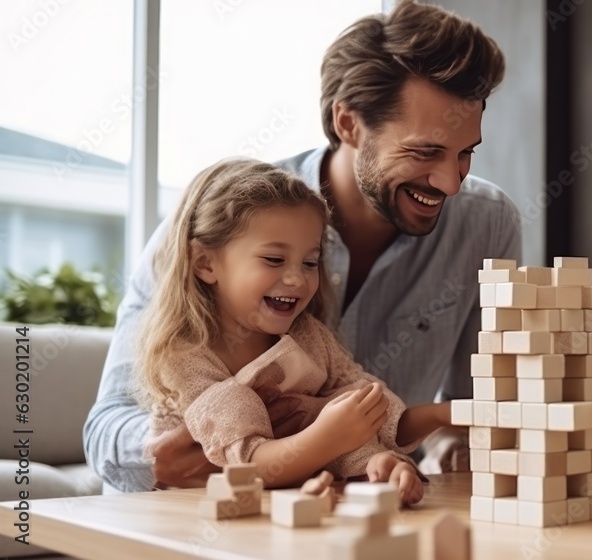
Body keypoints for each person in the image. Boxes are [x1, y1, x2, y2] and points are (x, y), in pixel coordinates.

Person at [84, 0, 519, 492]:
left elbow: (469, 412)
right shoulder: (223, 219)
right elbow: (104, 431)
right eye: (425, 152)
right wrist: (177, 447)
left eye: (466, 154)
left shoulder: (487, 222)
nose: (451, 182)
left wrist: (425, 448)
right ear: (348, 123)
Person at [137, 158, 449, 503]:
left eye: (310, 262)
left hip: (286, 513)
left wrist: (389, 457)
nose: (297, 279)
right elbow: (253, 467)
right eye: (273, 259)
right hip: (195, 521)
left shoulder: (310, 339)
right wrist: (328, 435)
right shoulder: (187, 357)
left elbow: (369, 409)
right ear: (205, 263)